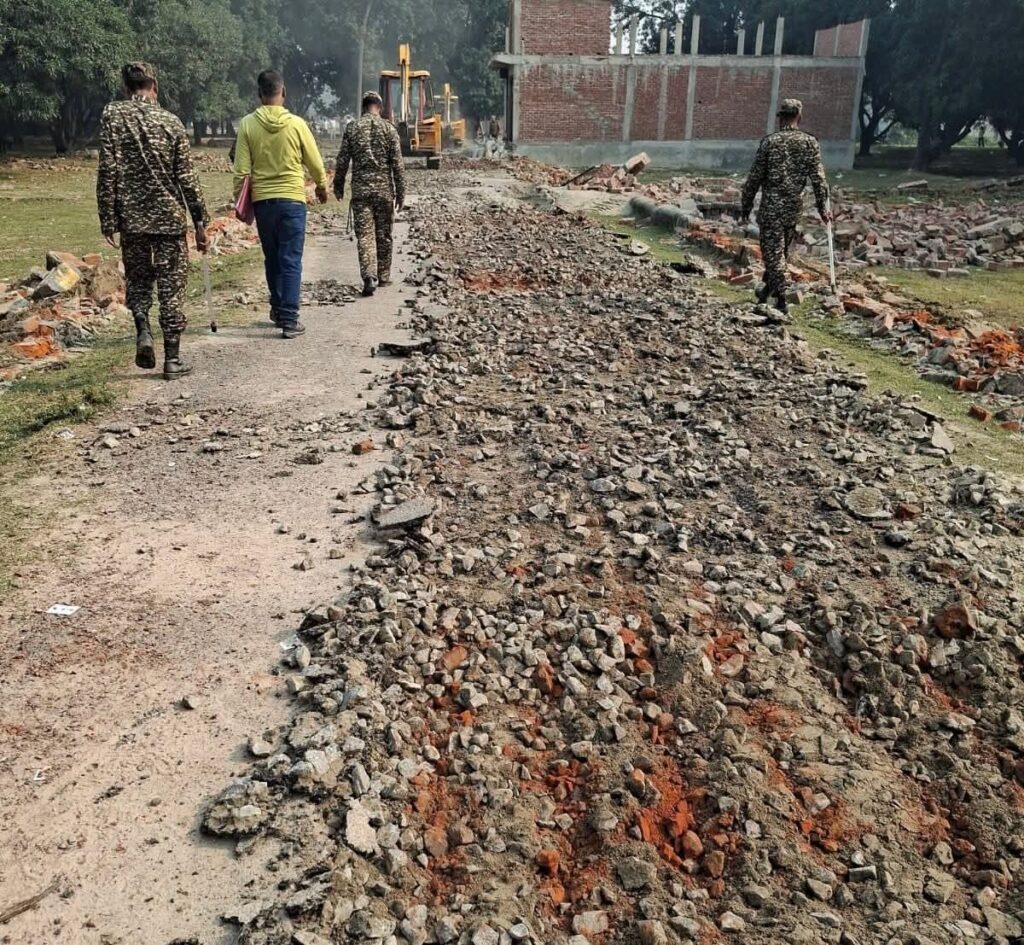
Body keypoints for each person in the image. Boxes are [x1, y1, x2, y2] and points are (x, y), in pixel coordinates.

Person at [97, 62, 209, 380]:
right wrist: (200, 220)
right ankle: (172, 358)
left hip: (132, 221)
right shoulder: (171, 122)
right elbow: (187, 178)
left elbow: (108, 169)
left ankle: (143, 329)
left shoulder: (112, 115)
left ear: (126, 87)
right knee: (171, 289)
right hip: (169, 220)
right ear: (154, 87)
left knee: (138, 281)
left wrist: (108, 218)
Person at [233, 70, 328, 339]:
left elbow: (241, 171)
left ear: (259, 95)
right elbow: (314, 161)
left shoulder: (247, 125)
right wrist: (321, 186)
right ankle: (289, 319)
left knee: (273, 257)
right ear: (283, 92)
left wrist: (240, 202)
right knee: (291, 260)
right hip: (292, 202)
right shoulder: (297, 124)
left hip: (263, 203)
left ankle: (277, 308)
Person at [740, 98, 830, 315]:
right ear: (799, 117)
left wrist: (746, 205)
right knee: (779, 253)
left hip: (771, 207)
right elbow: (819, 179)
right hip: (793, 208)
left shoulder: (770, 142)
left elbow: (754, 178)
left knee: (773, 254)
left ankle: (782, 300)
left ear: (780, 118)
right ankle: (766, 291)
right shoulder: (810, 143)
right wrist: (823, 208)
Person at [334, 91, 406, 298]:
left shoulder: (353, 128)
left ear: (363, 107)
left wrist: (338, 185)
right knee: (384, 235)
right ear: (379, 108)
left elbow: (342, 160)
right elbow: (398, 165)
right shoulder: (389, 129)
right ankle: (383, 276)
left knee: (365, 236)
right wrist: (401, 193)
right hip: (384, 192)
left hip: (361, 192)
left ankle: (369, 276)